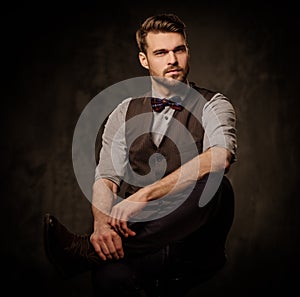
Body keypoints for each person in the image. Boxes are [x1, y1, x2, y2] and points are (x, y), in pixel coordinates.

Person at [44, 13, 237, 297]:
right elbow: (106, 179)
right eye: (161, 52)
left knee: (215, 183)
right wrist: (100, 227)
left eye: (178, 50)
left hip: (193, 241)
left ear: (187, 52)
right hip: (139, 233)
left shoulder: (213, 104)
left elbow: (221, 157)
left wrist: (144, 195)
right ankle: (98, 250)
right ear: (144, 60)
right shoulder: (124, 111)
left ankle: (87, 251)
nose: (172, 59)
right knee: (107, 278)